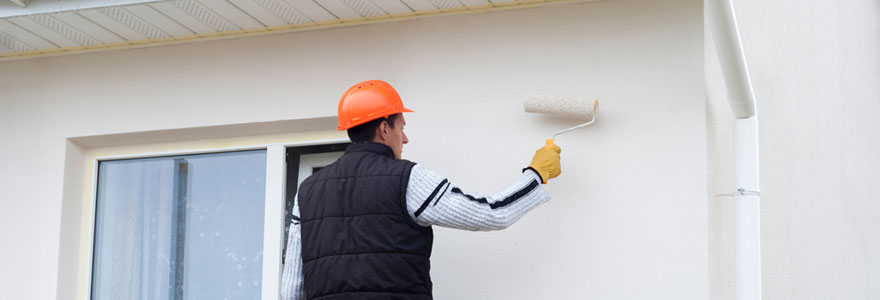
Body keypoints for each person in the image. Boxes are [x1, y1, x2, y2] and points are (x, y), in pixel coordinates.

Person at [281, 80, 562, 300]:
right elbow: (492, 214)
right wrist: (537, 174)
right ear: (383, 128)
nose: (405, 137)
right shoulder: (406, 178)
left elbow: (292, 290)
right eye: (401, 127)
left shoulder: (307, 191)